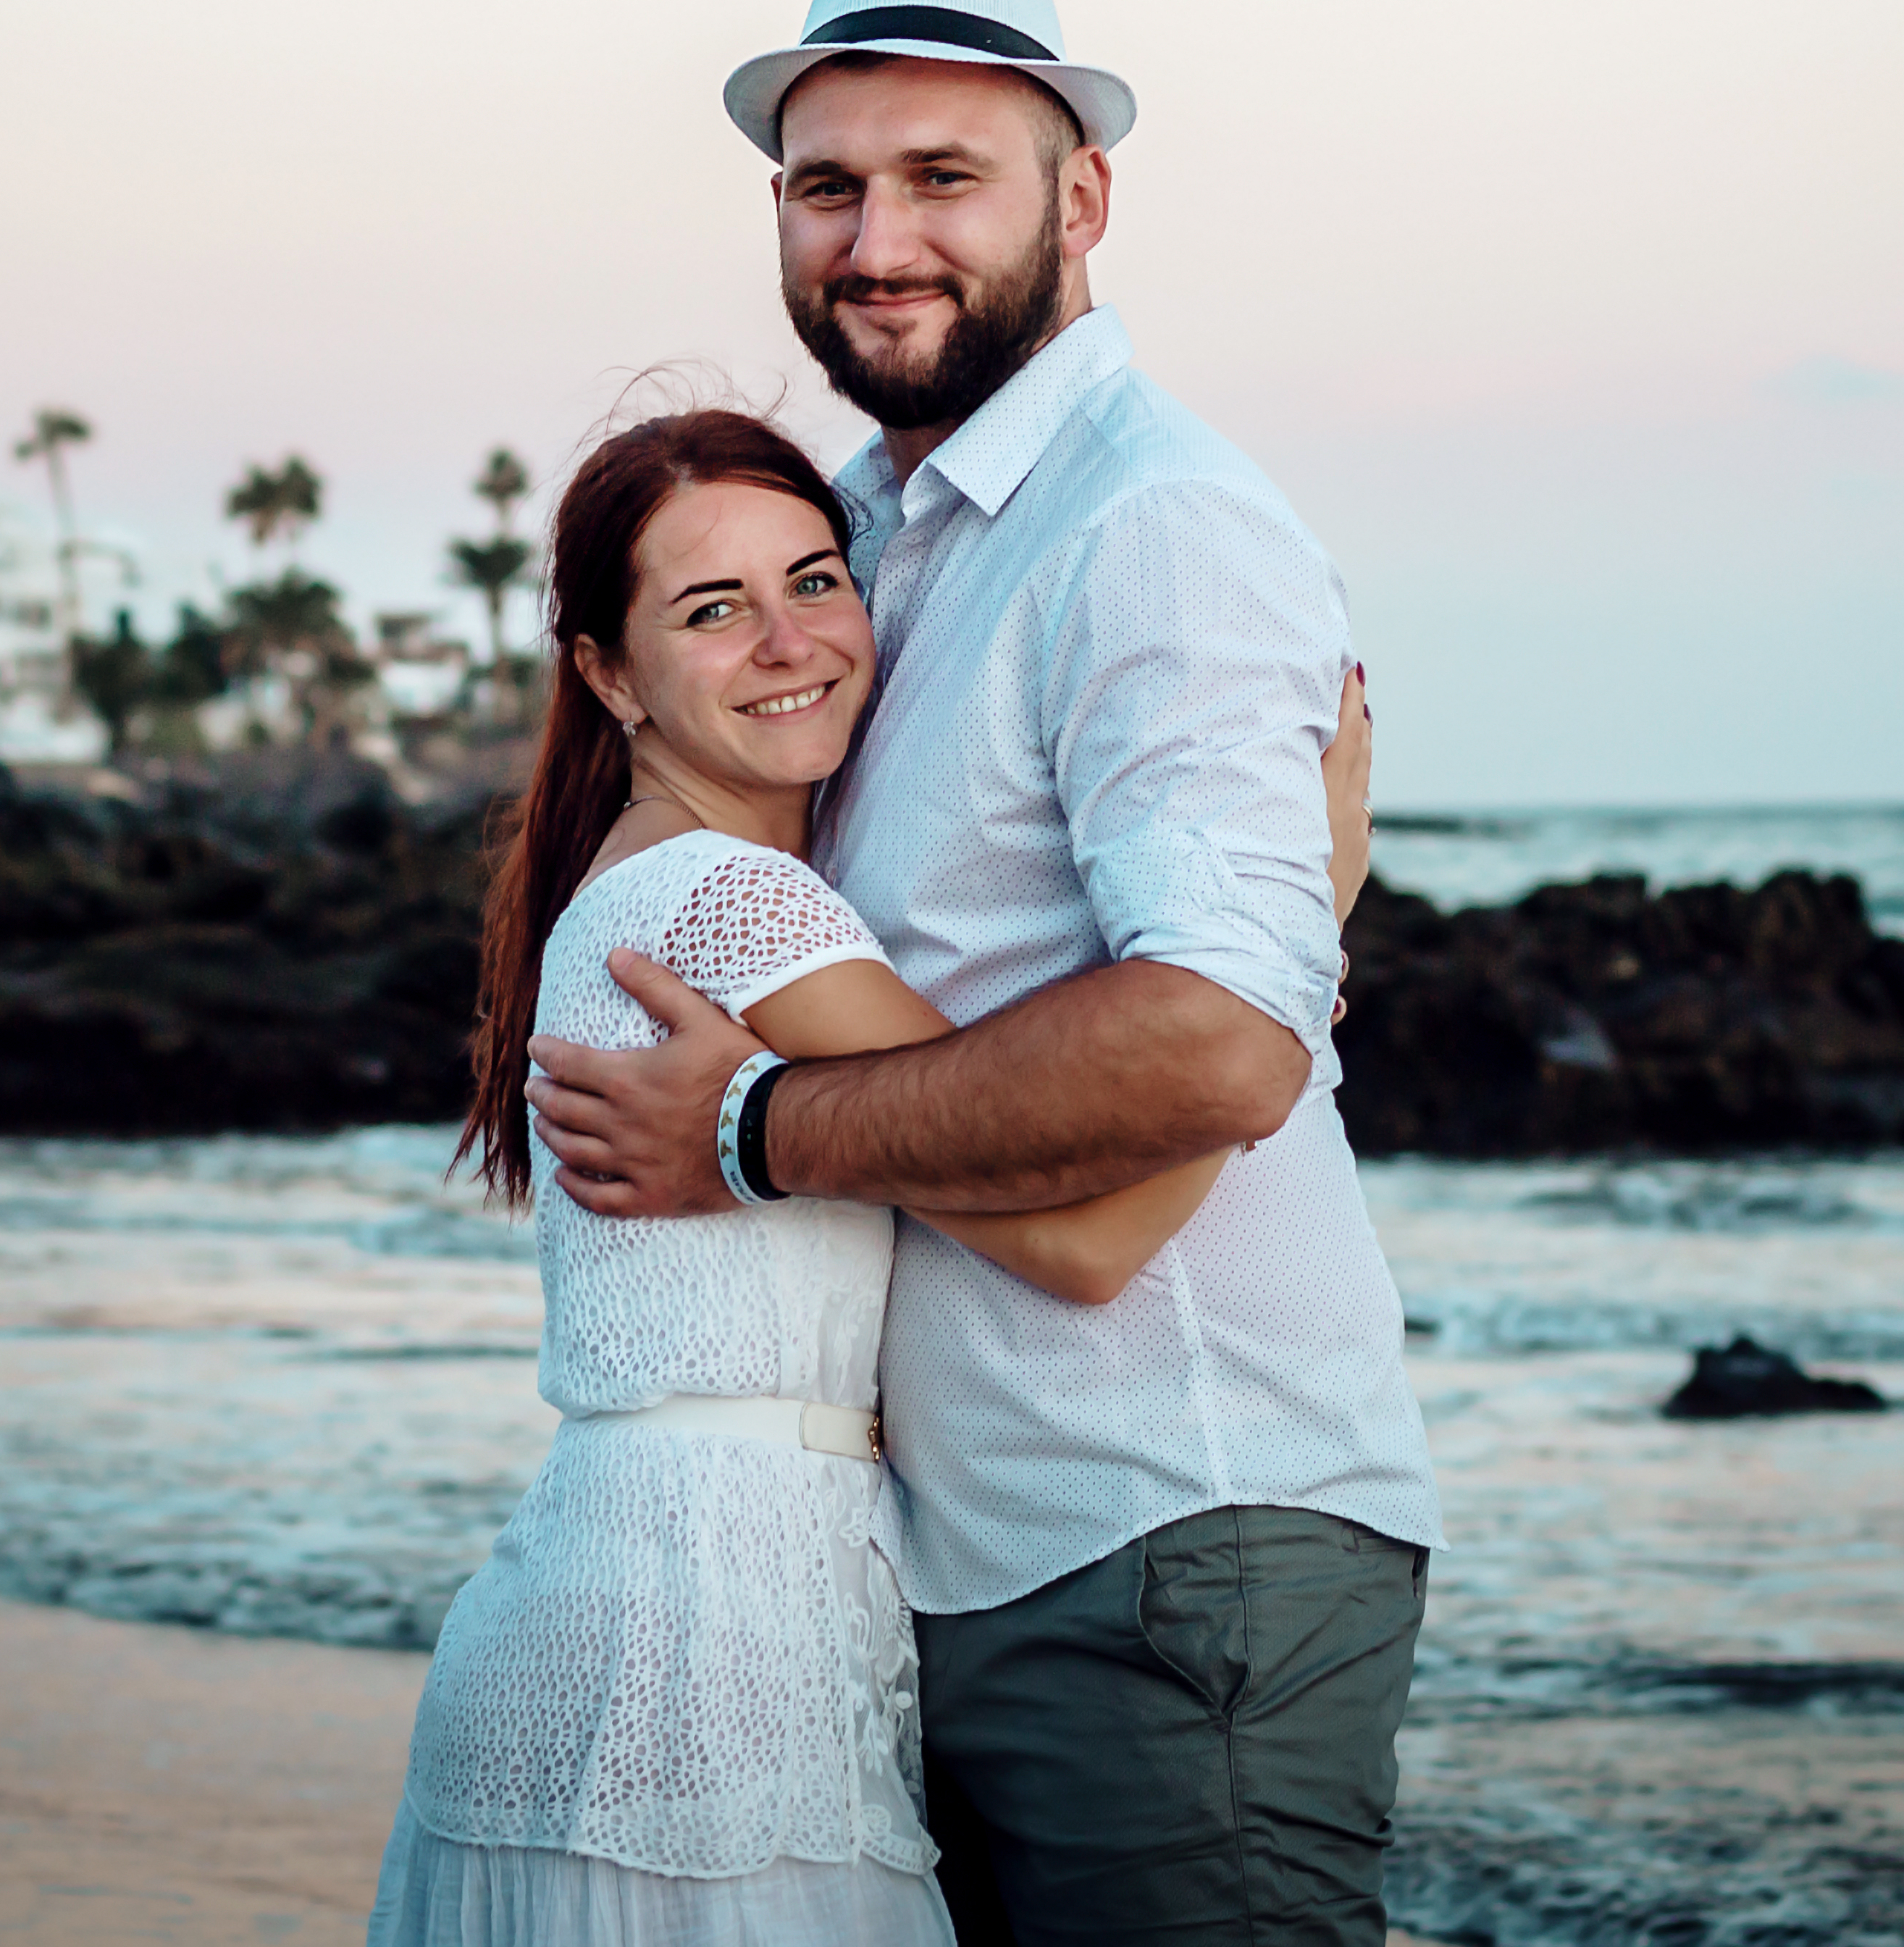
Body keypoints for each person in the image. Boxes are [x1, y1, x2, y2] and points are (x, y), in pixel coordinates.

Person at [521, 0, 1443, 1947]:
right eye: (828, 186)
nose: (877, 241)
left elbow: (1215, 1041)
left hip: (1166, 1525)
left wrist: (752, 1133)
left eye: (944, 177)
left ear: (1079, 195)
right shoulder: (868, 545)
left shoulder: (1147, 526)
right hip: (959, 1549)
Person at [367, 408, 1374, 1946]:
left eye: (814, 580)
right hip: (707, 1640)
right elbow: (1091, 1235)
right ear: (609, 673)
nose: (787, 641)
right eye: (711, 611)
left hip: (629, 1602)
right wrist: (1294, 940)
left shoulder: (646, 879)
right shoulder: (731, 902)